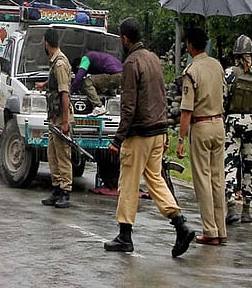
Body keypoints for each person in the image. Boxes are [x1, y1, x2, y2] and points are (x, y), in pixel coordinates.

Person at [103, 18, 196, 257]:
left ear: (124, 38)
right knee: (155, 179)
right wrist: (164, 130)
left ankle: (125, 236)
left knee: (128, 182)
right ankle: (180, 225)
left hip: (140, 134)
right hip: (158, 131)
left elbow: (129, 106)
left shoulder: (132, 63)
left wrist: (117, 139)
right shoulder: (153, 59)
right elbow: (161, 96)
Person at [177, 26, 226, 245]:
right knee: (218, 178)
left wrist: (181, 139)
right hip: (219, 124)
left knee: (203, 179)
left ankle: (210, 230)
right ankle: (221, 229)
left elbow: (187, 109)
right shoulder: (217, 65)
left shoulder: (191, 71)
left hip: (201, 126)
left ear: (190, 45)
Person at [223, 34, 252, 224]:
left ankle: (231, 205)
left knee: (230, 163)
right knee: (248, 165)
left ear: (236, 54)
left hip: (232, 122)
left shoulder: (229, 74)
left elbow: (223, 101)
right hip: (251, 123)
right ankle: (247, 209)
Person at [41, 28, 74, 208]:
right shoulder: (55, 62)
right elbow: (56, 81)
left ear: (47, 43)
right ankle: (56, 189)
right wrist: (44, 84)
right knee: (52, 154)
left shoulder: (60, 63)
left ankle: (65, 191)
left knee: (62, 156)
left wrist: (65, 121)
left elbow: (64, 93)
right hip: (54, 117)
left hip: (61, 117)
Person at [70, 50, 123, 116]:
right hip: (121, 76)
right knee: (99, 86)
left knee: (87, 81)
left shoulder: (86, 58)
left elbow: (79, 76)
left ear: (78, 66)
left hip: (114, 75)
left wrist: (71, 90)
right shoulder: (97, 60)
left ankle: (98, 106)